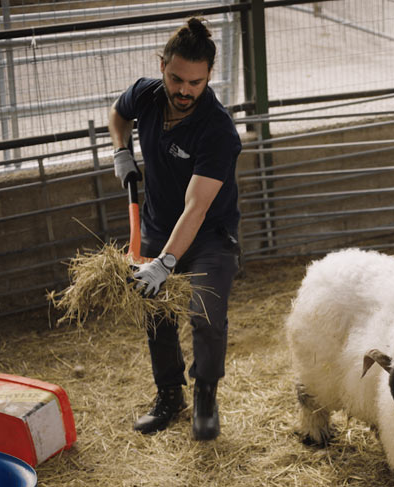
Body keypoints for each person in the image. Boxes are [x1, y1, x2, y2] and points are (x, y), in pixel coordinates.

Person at [108, 17, 242, 441]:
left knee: (206, 314)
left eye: (196, 82)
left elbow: (197, 207)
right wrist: (120, 152)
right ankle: (169, 395)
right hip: (155, 224)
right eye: (176, 78)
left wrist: (165, 262)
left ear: (208, 77)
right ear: (162, 64)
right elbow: (117, 113)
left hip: (209, 235)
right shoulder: (146, 93)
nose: (185, 90)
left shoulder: (217, 130)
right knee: (155, 311)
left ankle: (205, 394)